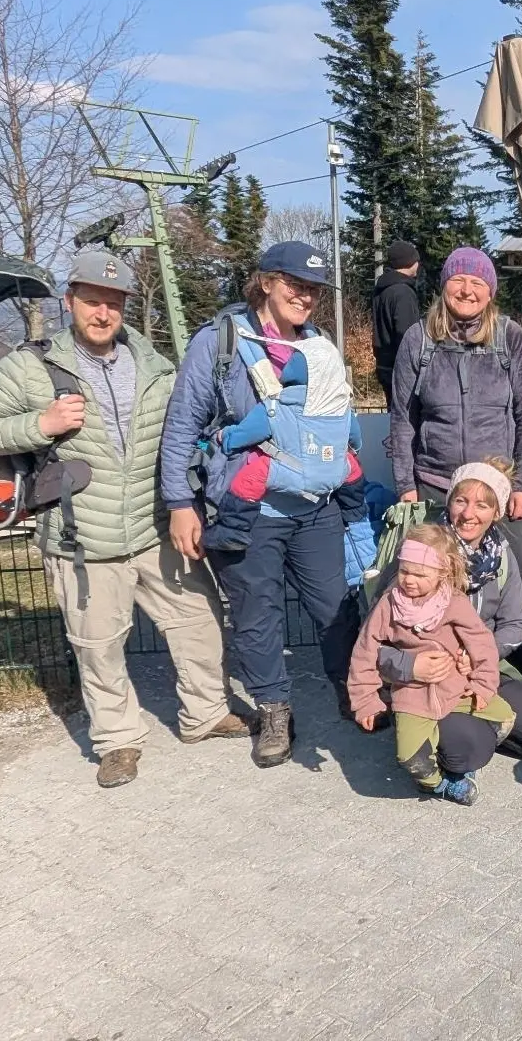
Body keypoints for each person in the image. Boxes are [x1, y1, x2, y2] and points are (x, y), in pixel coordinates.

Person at [0, 251, 246, 788]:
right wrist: (38, 423)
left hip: (157, 527)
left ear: (126, 307)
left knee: (201, 623)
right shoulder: (29, 366)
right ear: (70, 302)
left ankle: (205, 715)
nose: (103, 312)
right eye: (92, 301)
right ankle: (117, 740)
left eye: (113, 302)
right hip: (81, 538)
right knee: (98, 646)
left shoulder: (155, 365)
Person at [161, 241, 362, 767]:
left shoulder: (317, 344)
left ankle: (352, 688)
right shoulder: (220, 342)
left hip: (314, 505)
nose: (306, 296)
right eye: (296, 284)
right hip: (246, 511)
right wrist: (180, 502)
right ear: (267, 281)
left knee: (336, 605)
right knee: (256, 616)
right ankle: (274, 709)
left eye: (314, 289)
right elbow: (183, 421)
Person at [388, 247, 522, 681]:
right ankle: (444, 665)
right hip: (437, 482)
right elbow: (403, 418)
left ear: (491, 292)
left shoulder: (510, 338)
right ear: (444, 286)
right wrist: (406, 484)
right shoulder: (419, 340)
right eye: (459, 280)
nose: (467, 289)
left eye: (478, 283)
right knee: (437, 576)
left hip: (499, 486)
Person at [348, 525, 516, 806]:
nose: (409, 580)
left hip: (453, 687)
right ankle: (439, 785)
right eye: (404, 571)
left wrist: (482, 683)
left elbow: (482, 642)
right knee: (409, 757)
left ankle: (454, 756)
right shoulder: (390, 603)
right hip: (411, 695)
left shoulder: (453, 601)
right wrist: (365, 700)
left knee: (506, 717)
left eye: (420, 574)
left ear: (442, 572)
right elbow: (365, 650)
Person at [435, 460, 522, 764]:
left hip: (484, 666)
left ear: (496, 513)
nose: (469, 514)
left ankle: (477, 725)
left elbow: (514, 625)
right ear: (449, 502)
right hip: (433, 673)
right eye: (461, 501)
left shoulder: (501, 554)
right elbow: (385, 627)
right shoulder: (424, 548)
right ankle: (429, 725)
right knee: (468, 754)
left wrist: (479, 655)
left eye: (482, 505)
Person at [209, 338, 365, 551]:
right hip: (333, 476)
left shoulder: (276, 407)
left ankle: (234, 530)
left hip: (291, 477)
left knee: (253, 476)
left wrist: (225, 438)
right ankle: (354, 511)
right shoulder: (343, 409)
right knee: (351, 466)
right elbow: (356, 441)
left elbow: (244, 434)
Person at [371, 239, 423, 409]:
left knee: (393, 417)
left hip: (385, 365)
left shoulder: (383, 289)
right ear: (410, 262)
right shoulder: (403, 292)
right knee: (406, 420)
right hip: (402, 369)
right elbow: (407, 334)